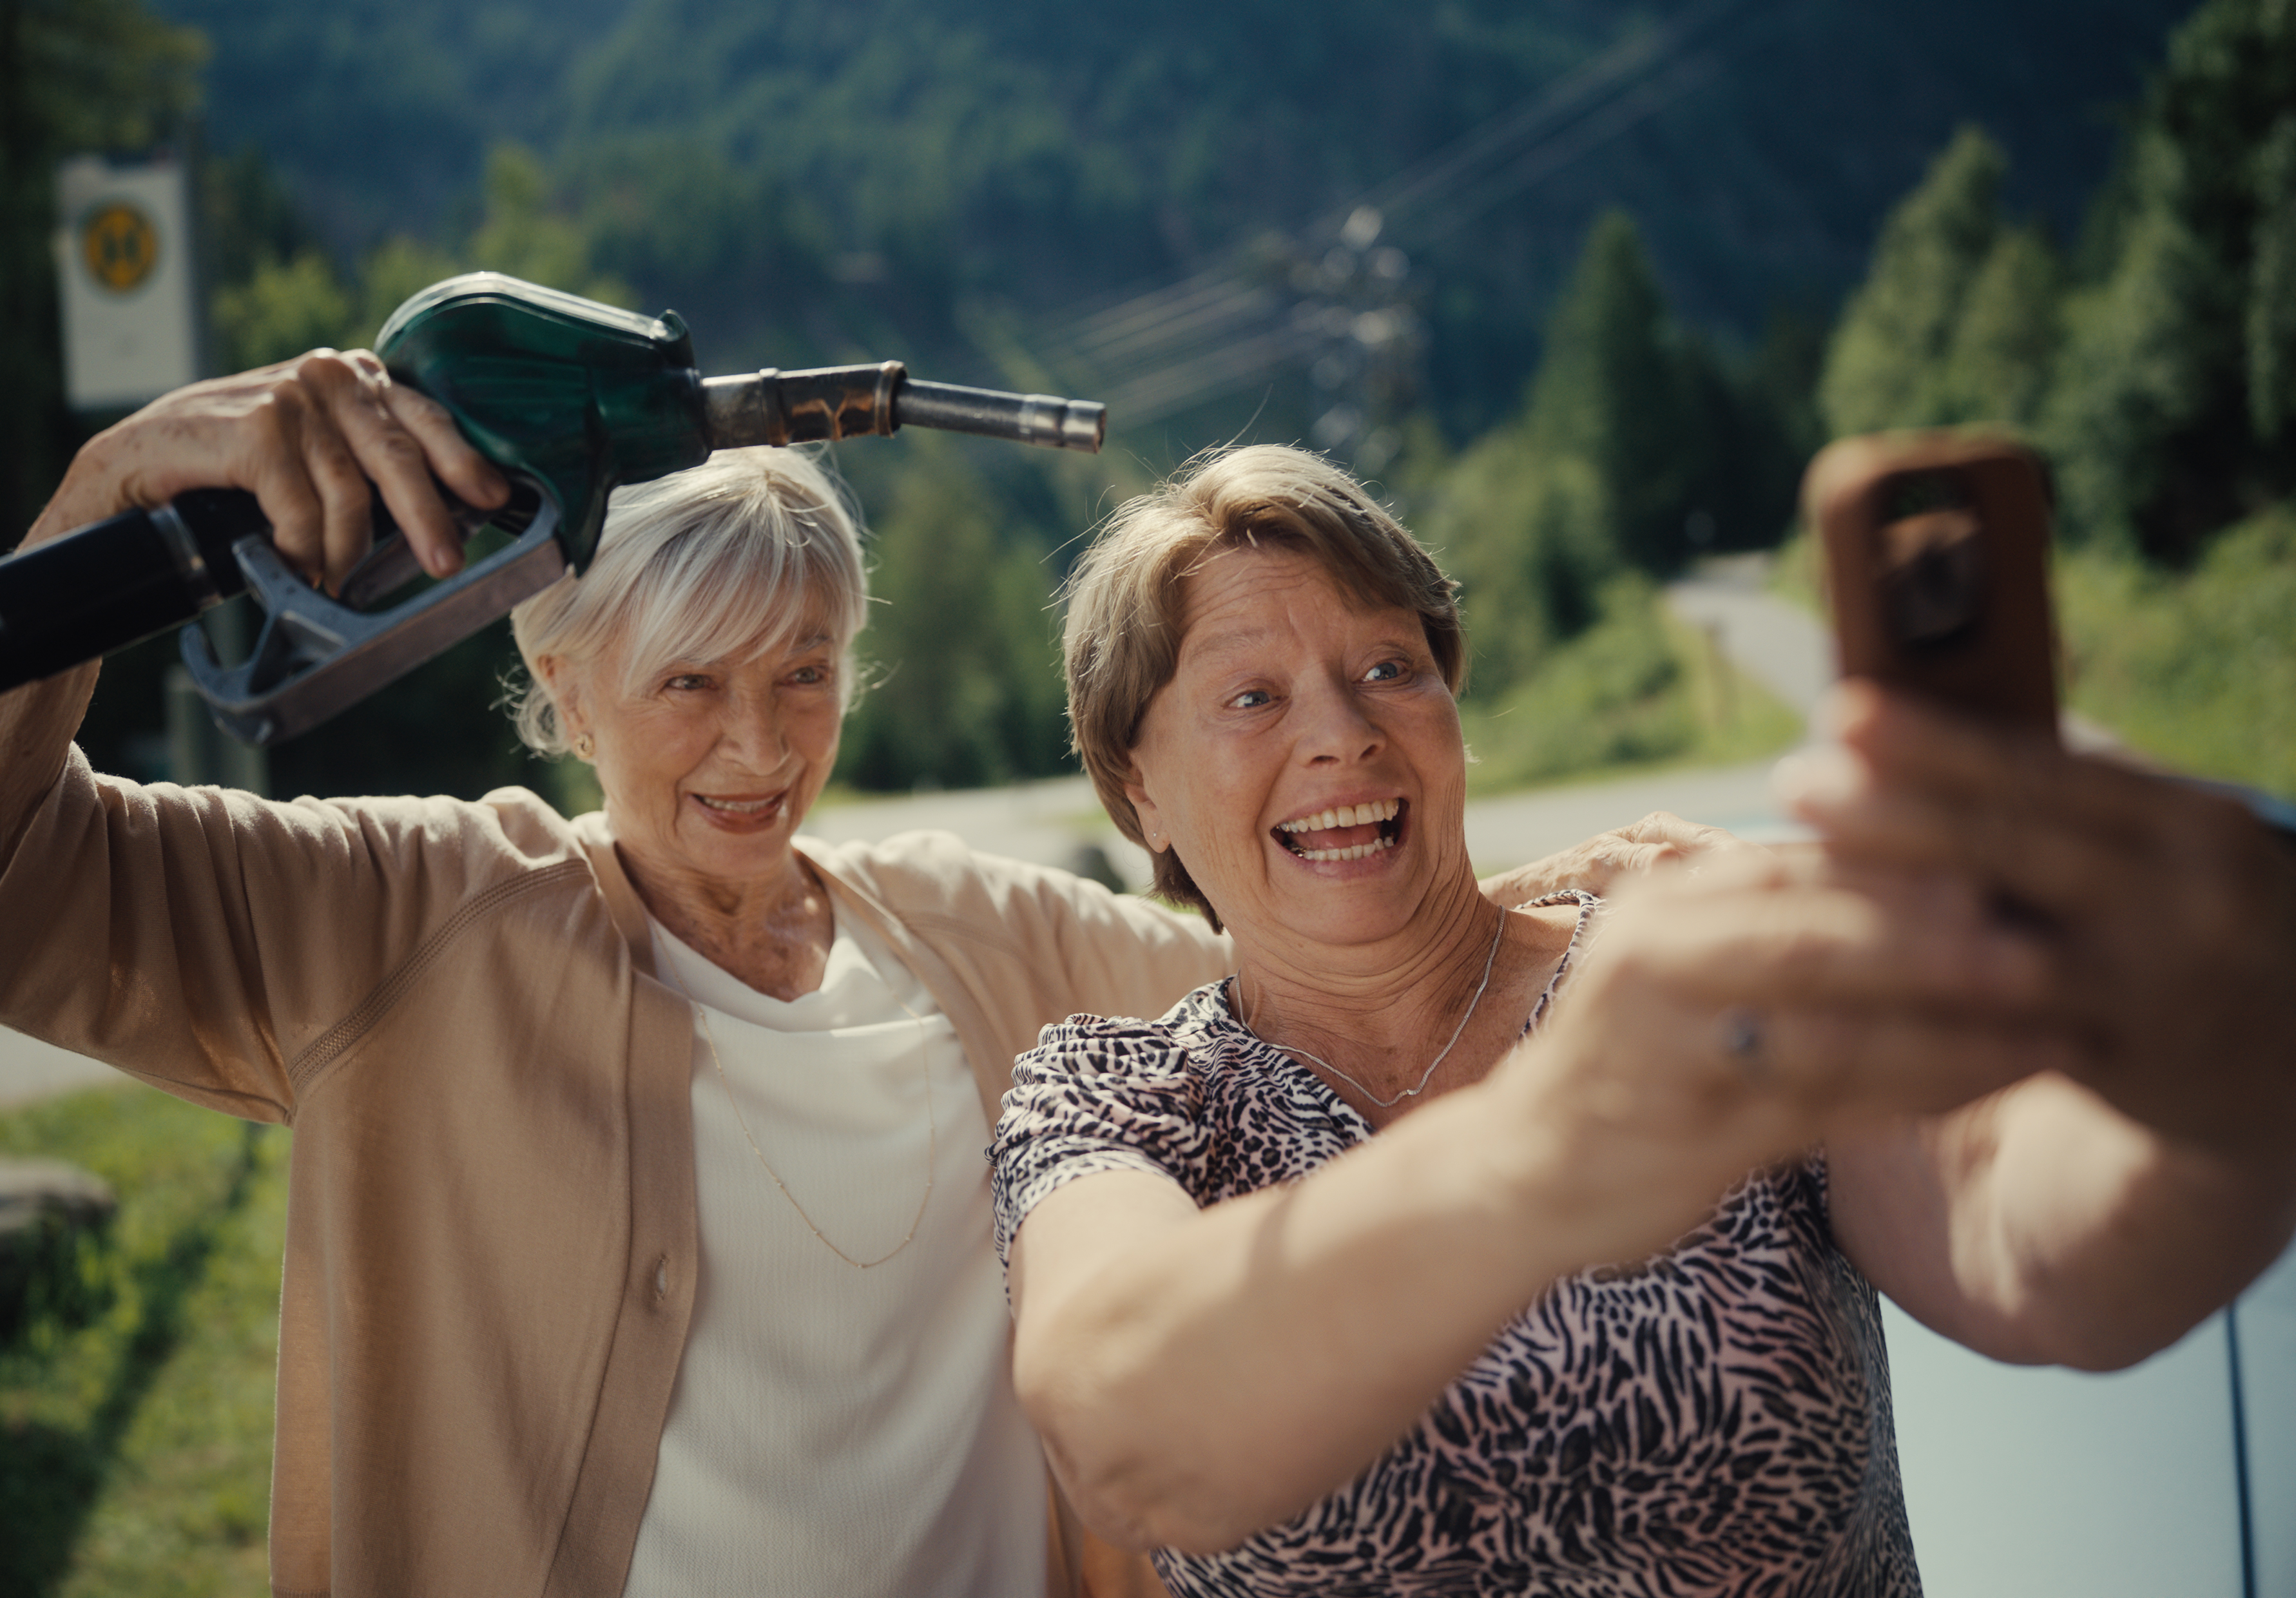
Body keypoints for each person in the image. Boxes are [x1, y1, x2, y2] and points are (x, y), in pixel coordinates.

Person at [0, 353, 1678, 1598]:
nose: (757, 742)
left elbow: (1310, 974)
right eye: (690, 686)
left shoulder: (985, 937)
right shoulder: (402, 922)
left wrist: (1592, 896)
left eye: (803, 671)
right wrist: (110, 503)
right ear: (566, 689)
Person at [990, 443, 2296, 1595]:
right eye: (1252, 696)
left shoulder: (1695, 967)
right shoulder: (1115, 1092)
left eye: (1391, 664)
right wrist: (1552, 1151)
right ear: (1135, 788)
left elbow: (2039, 1249)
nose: (1343, 733)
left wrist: (2224, 1071)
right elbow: (1128, 1435)